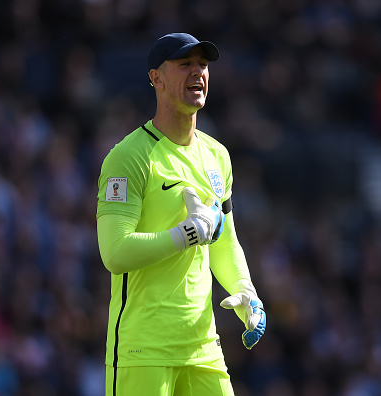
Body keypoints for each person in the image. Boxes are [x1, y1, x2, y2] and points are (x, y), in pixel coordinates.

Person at [95, 32, 266, 396]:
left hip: (202, 347)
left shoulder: (218, 155)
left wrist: (245, 290)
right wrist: (185, 234)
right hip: (143, 349)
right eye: (185, 64)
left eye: (203, 65)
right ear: (156, 78)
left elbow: (224, 241)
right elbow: (114, 252)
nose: (198, 73)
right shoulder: (128, 157)